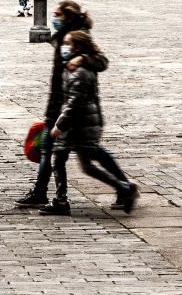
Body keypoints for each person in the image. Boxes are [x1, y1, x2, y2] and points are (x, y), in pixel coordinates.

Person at [38, 28, 139, 216]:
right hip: (83, 123)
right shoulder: (76, 66)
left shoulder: (79, 71)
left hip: (78, 125)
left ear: (76, 47)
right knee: (77, 163)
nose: (64, 47)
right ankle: (122, 187)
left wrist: (60, 125)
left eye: (68, 44)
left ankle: (63, 200)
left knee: (69, 162)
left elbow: (74, 102)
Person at [14, 0, 91, 208]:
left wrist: (83, 58)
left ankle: (53, 197)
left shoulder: (74, 40)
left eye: (57, 15)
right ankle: (45, 194)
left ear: (67, 17)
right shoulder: (64, 39)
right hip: (61, 106)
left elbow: (98, 61)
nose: (54, 19)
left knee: (80, 157)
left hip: (66, 108)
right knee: (62, 154)